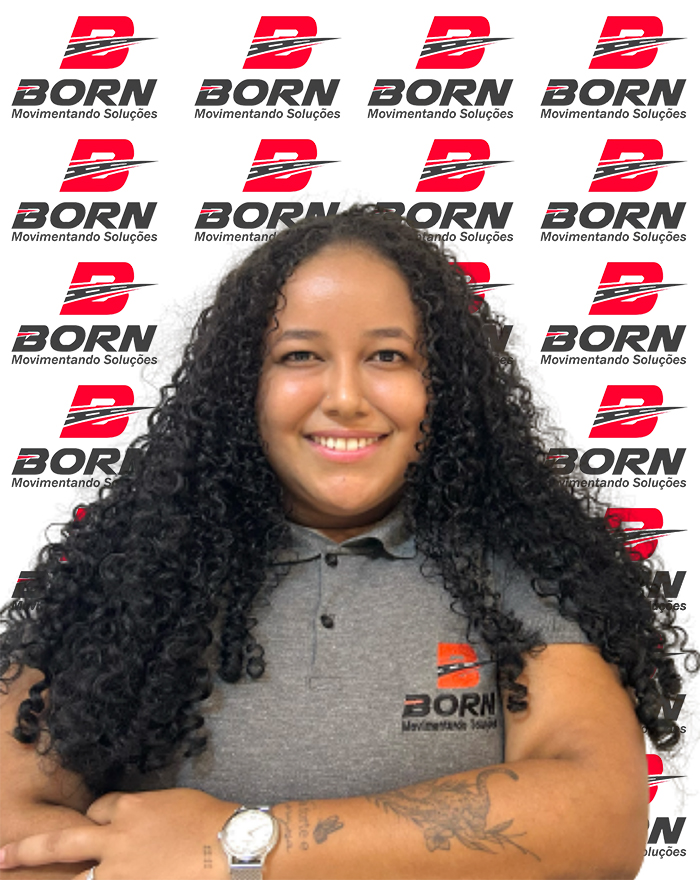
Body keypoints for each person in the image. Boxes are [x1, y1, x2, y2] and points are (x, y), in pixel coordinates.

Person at [0, 207, 692, 880]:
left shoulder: (526, 572)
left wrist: (239, 846)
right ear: (243, 386)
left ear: (443, 386)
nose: (345, 398)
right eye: (299, 356)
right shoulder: (140, 571)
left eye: (388, 356)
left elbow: (597, 815)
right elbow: (13, 816)